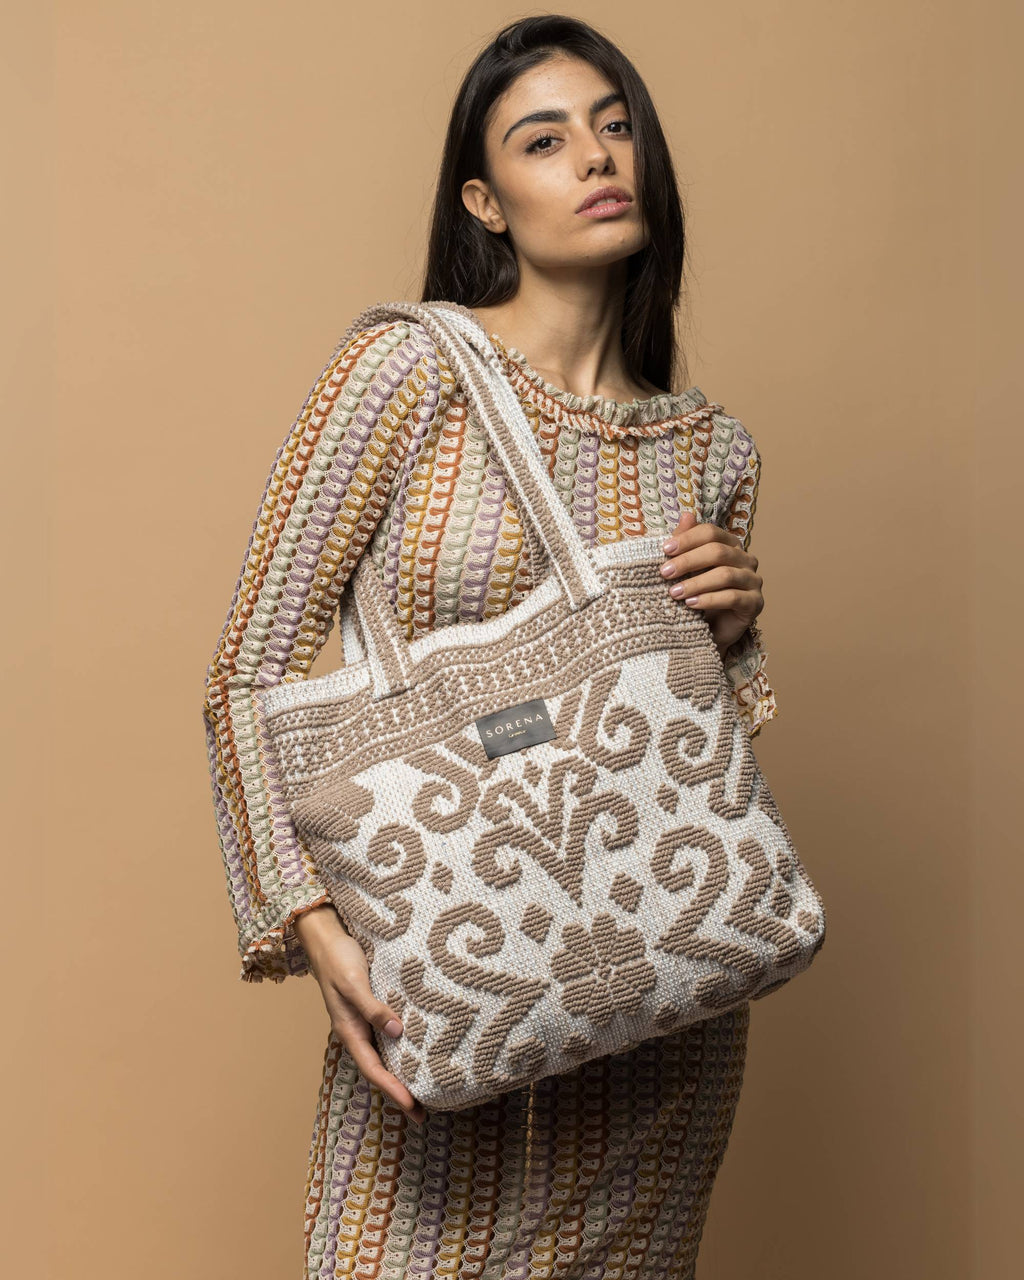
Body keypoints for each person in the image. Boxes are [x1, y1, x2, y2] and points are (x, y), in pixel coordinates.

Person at [202, 14, 777, 1279]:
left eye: (615, 126)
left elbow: (693, 762)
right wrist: (307, 918)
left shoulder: (711, 450)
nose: (595, 155)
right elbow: (250, 669)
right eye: (545, 139)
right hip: (448, 966)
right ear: (486, 201)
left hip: (662, 1008)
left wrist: (733, 632)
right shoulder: (404, 370)